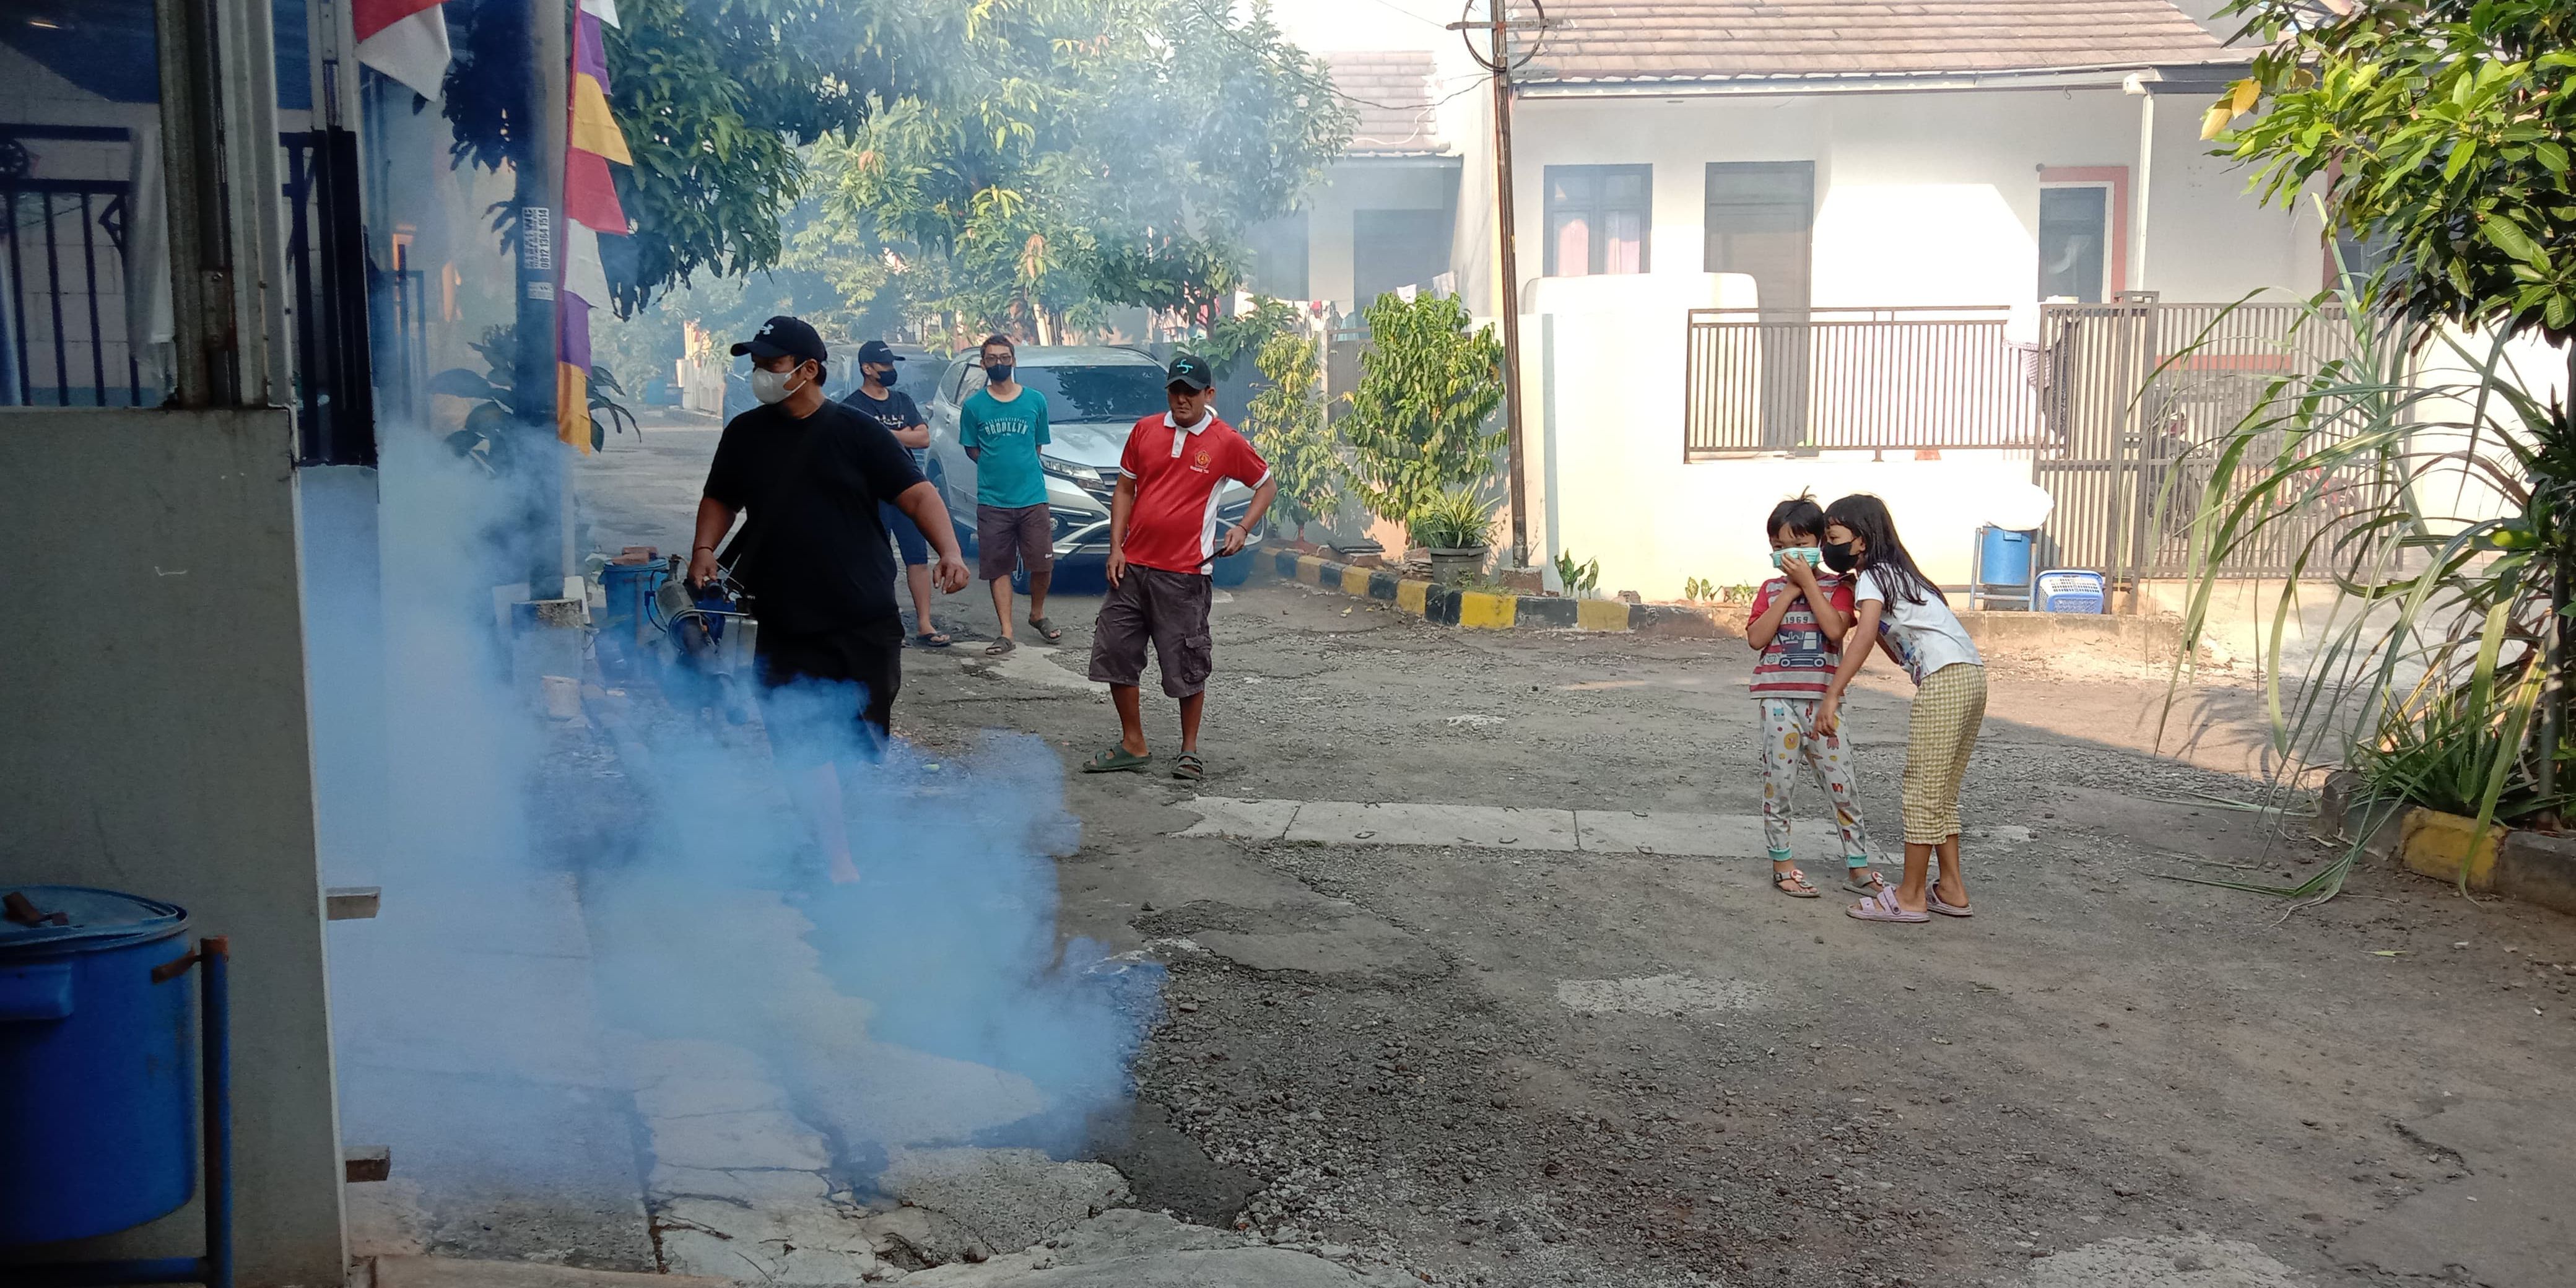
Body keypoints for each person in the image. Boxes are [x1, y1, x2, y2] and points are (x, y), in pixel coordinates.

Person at [692, 315, 970, 884]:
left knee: (863, 742)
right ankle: (836, 860)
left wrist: (951, 551)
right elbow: (720, 496)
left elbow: (918, 495)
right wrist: (703, 547)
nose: (760, 375)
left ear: (808, 370)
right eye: (758, 364)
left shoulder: (858, 432)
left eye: (771, 364)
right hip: (780, 619)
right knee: (801, 738)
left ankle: (844, 830)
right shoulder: (744, 434)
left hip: (862, 618)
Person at [1082, 353, 1276, 782]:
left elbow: (1266, 484)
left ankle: (1189, 751)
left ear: (1209, 394)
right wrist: (1116, 547)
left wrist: (1243, 528)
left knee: (1186, 662)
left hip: (1186, 573)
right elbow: (1125, 489)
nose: (1182, 399)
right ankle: (1134, 742)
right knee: (1116, 652)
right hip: (1131, 568)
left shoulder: (1226, 441)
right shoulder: (1145, 431)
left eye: (1191, 392)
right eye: (1175, 390)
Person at [1812, 494, 1987, 924]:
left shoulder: (1874, 576)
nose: (1826, 549)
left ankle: (1910, 897)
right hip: (1970, 677)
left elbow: (1866, 637)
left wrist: (1833, 693)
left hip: (1944, 682)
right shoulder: (1904, 577)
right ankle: (1951, 888)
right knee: (1941, 792)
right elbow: (1896, 647)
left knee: (1922, 791)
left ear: (1862, 541)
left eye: (1833, 538)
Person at [1744, 493, 1885, 900]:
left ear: (1821, 544)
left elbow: (1835, 630)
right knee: (1779, 784)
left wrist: (1808, 584)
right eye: (1780, 547)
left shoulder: (1840, 586)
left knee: (1843, 785)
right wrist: (1790, 592)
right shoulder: (1771, 590)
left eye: (1801, 545)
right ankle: (1783, 865)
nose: (1790, 554)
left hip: (1823, 704)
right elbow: (1756, 638)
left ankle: (1858, 867)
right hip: (1777, 701)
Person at [841, 339, 950, 648]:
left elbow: (924, 438)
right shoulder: (852, 406)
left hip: (908, 491)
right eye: (884, 366)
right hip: (872, 495)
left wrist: (882, 435)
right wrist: (903, 437)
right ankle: (883, 622)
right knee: (877, 560)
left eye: (892, 365)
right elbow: (859, 447)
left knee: (917, 557)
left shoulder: (902, 401)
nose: (891, 371)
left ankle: (924, 623)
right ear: (867, 368)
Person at [957, 334, 1056, 655]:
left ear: (1013, 360)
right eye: (991, 358)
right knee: (998, 567)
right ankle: (1007, 632)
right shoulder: (973, 407)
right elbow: (973, 450)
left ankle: (1037, 614)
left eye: (1004, 357)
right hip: (993, 501)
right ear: (983, 363)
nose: (998, 364)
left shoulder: (1035, 401)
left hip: (1032, 498)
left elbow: (1037, 445)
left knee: (1042, 564)